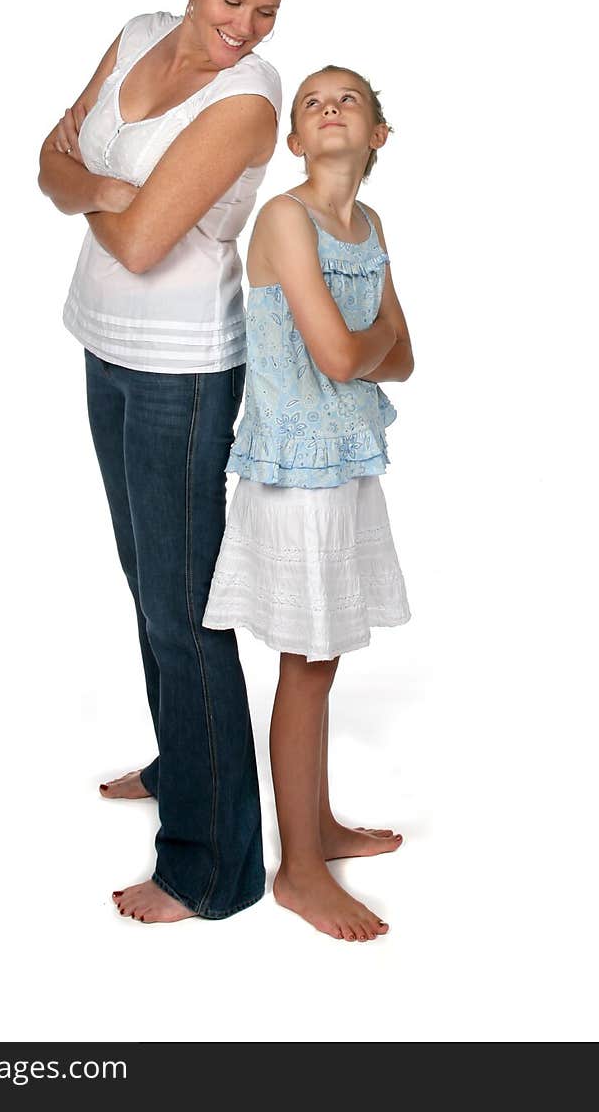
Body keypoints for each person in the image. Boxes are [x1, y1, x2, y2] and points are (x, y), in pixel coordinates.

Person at [37, 0, 295, 923]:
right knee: (147, 580)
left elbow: (145, 243)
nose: (245, 28)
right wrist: (104, 185)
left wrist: (91, 182)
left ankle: (211, 865)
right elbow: (46, 164)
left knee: (185, 610)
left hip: (183, 368)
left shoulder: (250, 97)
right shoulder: (139, 35)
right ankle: (184, 763)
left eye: (266, 9)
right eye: (231, 1)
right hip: (104, 343)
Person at [202, 65, 414, 940]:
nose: (328, 108)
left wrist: (370, 345)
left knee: (323, 657)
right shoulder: (285, 219)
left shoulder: (367, 224)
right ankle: (297, 869)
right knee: (307, 658)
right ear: (295, 140)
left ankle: (316, 826)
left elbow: (405, 358)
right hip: (295, 472)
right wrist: (372, 342)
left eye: (348, 99)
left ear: (378, 137)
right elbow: (346, 355)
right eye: (312, 103)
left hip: (344, 466)